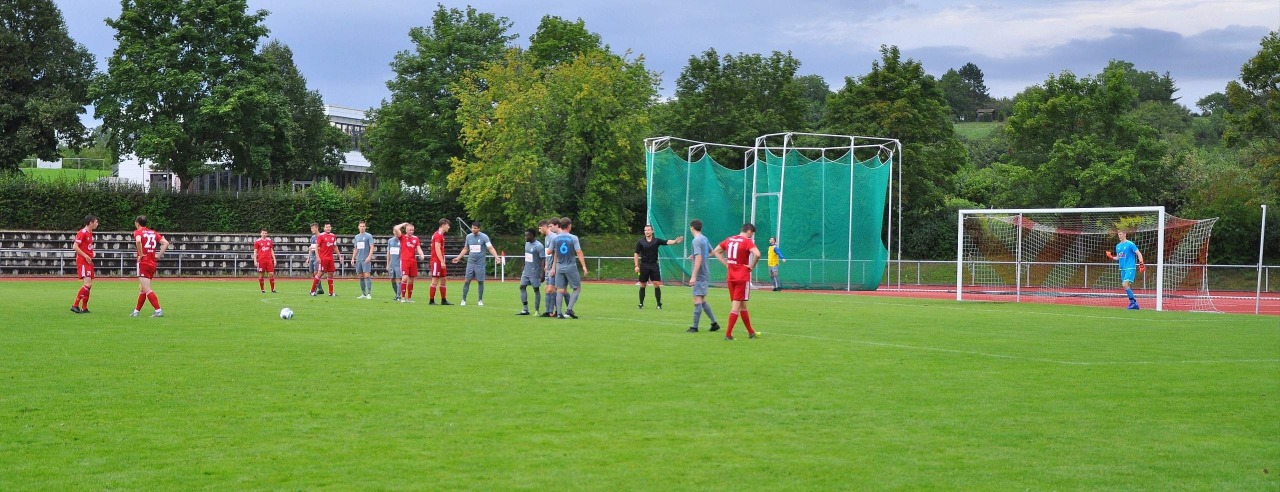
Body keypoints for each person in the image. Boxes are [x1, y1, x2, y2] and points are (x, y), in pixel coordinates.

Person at [711, 223, 763, 340]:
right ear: (749, 231)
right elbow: (758, 254)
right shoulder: (747, 241)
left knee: (743, 306)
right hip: (742, 277)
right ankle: (728, 335)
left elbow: (716, 251)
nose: (751, 236)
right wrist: (751, 266)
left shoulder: (730, 239)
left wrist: (726, 264)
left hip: (731, 277)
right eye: (751, 234)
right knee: (736, 307)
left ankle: (751, 332)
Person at [452, 221, 502, 306]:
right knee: (467, 281)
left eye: (475, 228)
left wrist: (496, 257)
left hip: (480, 263)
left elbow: (490, 248)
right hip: (470, 263)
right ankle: (463, 300)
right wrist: (458, 257)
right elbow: (465, 248)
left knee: (480, 281)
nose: (473, 229)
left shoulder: (484, 237)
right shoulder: (468, 237)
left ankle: (480, 300)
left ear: (479, 229)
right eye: (472, 228)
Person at [634, 224, 683, 309]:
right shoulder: (640, 242)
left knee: (656, 284)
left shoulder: (656, 241)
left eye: (648, 230)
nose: (647, 232)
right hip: (644, 265)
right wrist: (636, 265)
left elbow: (666, 242)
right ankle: (641, 304)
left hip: (653, 265)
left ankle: (659, 304)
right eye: (645, 230)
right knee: (643, 284)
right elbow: (636, 253)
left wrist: (675, 241)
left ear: (652, 231)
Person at [685, 219, 720, 333]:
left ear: (692, 227)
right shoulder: (704, 238)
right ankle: (714, 324)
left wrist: (693, 276)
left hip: (700, 274)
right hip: (705, 272)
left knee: (697, 300)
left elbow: (699, 258)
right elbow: (711, 252)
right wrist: (696, 257)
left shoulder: (696, 240)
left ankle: (694, 327)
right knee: (702, 300)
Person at [131, 215, 170, 317]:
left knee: (147, 289)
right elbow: (166, 243)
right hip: (152, 263)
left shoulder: (138, 232)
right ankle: (136, 311)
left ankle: (158, 310)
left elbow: (138, 241)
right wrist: (158, 255)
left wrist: (140, 254)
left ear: (137, 223)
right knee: (142, 288)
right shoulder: (153, 232)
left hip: (144, 263)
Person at [551, 217, 588, 319]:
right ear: (568, 226)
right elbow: (578, 252)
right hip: (571, 266)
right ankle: (569, 309)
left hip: (559, 267)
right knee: (577, 288)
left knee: (560, 290)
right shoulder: (573, 238)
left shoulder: (555, 238)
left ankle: (559, 313)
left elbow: (550, 251)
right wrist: (584, 266)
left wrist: (553, 267)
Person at [1106, 230, 1146, 310]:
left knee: (1125, 284)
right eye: (1118, 234)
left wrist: (1141, 263)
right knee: (1126, 286)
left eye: (1121, 234)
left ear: (1125, 234)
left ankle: (1133, 303)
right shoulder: (1118, 246)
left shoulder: (1130, 244)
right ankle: (1134, 304)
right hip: (1122, 269)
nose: (1119, 236)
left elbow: (1138, 253)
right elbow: (1118, 257)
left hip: (1130, 267)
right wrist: (1111, 257)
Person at [70, 215, 98, 314]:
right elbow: (75, 246)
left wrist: (92, 252)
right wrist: (86, 255)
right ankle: (75, 305)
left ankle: (84, 307)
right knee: (87, 284)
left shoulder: (90, 233)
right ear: (90, 223)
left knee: (89, 285)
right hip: (83, 261)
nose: (97, 224)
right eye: (96, 222)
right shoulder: (82, 232)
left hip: (88, 261)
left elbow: (87, 246)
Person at [393, 222, 425, 302]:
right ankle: (403, 297)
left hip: (413, 261)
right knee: (405, 278)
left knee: (411, 280)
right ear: (406, 230)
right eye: (410, 230)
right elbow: (396, 228)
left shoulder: (416, 238)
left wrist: (422, 254)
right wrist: (403, 224)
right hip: (405, 260)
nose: (411, 231)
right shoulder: (402, 237)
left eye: (412, 230)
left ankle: (409, 298)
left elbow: (418, 248)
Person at [517, 228, 545, 315]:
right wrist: (524, 265)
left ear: (532, 236)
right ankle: (525, 309)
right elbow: (527, 255)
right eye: (525, 235)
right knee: (522, 287)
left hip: (535, 271)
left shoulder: (539, 246)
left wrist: (542, 273)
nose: (525, 237)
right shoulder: (527, 244)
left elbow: (543, 259)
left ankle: (537, 310)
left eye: (527, 235)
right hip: (526, 270)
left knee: (536, 289)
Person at [310, 223, 343, 297]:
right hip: (323, 258)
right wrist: (318, 257)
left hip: (330, 259)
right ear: (324, 228)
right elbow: (316, 247)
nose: (328, 228)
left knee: (330, 274)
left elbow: (335, 247)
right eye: (326, 227)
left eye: (329, 227)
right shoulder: (321, 236)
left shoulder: (333, 236)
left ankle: (331, 292)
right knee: (320, 273)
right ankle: (312, 291)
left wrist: (339, 256)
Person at [540, 218, 561, 317]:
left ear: (545, 227)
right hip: (548, 267)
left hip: (553, 268)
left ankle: (552, 311)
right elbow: (547, 253)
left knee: (551, 289)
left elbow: (556, 253)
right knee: (548, 289)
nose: (539, 230)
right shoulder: (546, 238)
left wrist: (553, 267)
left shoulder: (554, 237)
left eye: (540, 228)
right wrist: (546, 265)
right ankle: (550, 311)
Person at [428, 218, 452, 305]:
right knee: (435, 280)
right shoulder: (438, 235)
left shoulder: (441, 235)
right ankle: (431, 301)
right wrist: (442, 261)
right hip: (436, 261)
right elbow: (437, 249)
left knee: (443, 279)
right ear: (443, 225)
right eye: (448, 225)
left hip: (440, 260)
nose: (449, 227)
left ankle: (443, 300)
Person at [350, 221, 374, 299]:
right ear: (358, 227)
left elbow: (372, 247)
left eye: (363, 226)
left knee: (367, 275)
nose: (362, 228)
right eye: (361, 226)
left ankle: (369, 293)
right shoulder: (357, 237)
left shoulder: (369, 236)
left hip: (365, 258)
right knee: (361, 276)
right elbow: (356, 248)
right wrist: (353, 258)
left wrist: (369, 256)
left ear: (365, 227)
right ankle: (363, 293)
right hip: (359, 259)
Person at [253, 229, 277, 293]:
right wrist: (255, 260)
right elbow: (255, 251)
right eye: (263, 233)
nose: (264, 234)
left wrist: (274, 259)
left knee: (271, 274)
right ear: (261, 234)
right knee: (261, 275)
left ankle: (273, 289)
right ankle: (262, 289)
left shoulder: (269, 241)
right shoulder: (257, 242)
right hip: (261, 261)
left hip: (269, 260)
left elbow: (271, 250)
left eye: (265, 233)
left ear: (267, 234)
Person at [307, 223, 325, 295]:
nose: (312, 230)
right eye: (311, 228)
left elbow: (322, 247)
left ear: (317, 228)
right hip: (312, 256)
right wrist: (308, 257)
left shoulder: (321, 237)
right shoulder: (312, 237)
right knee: (312, 273)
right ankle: (320, 289)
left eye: (313, 228)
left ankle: (314, 289)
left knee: (316, 272)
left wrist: (314, 247)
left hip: (318, 257)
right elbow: (310, 248)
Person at [386, 228, 402, 301]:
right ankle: (396, 294)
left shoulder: (401, 240)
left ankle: (398, 295)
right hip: (392, 263)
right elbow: (388, 252)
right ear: (393, 232)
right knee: (392, 279)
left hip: (398, 263)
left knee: (399, 279)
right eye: (395, 231)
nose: (396, 232)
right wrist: (387, 264)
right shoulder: (390, 240)